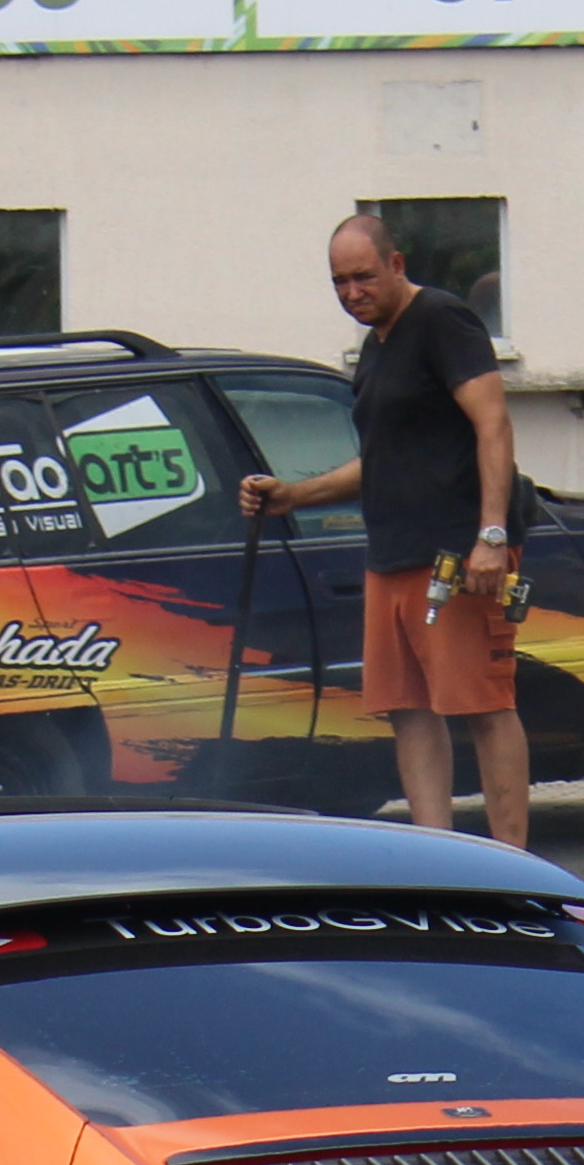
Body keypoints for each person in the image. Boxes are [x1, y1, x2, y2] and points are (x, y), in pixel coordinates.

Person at [236, 211, 529, 848]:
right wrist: (293, 495)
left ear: (397, 265)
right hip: (391, 556)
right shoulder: (377, 347)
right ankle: (438, 861)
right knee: (410, 711)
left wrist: (492, 536)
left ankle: (512, 867)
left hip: (457, 555)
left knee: (482, 705)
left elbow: (493, 425)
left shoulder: (442, 321)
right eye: (339, 282)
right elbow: (384, 461)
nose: (351, 294)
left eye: (363, 277)